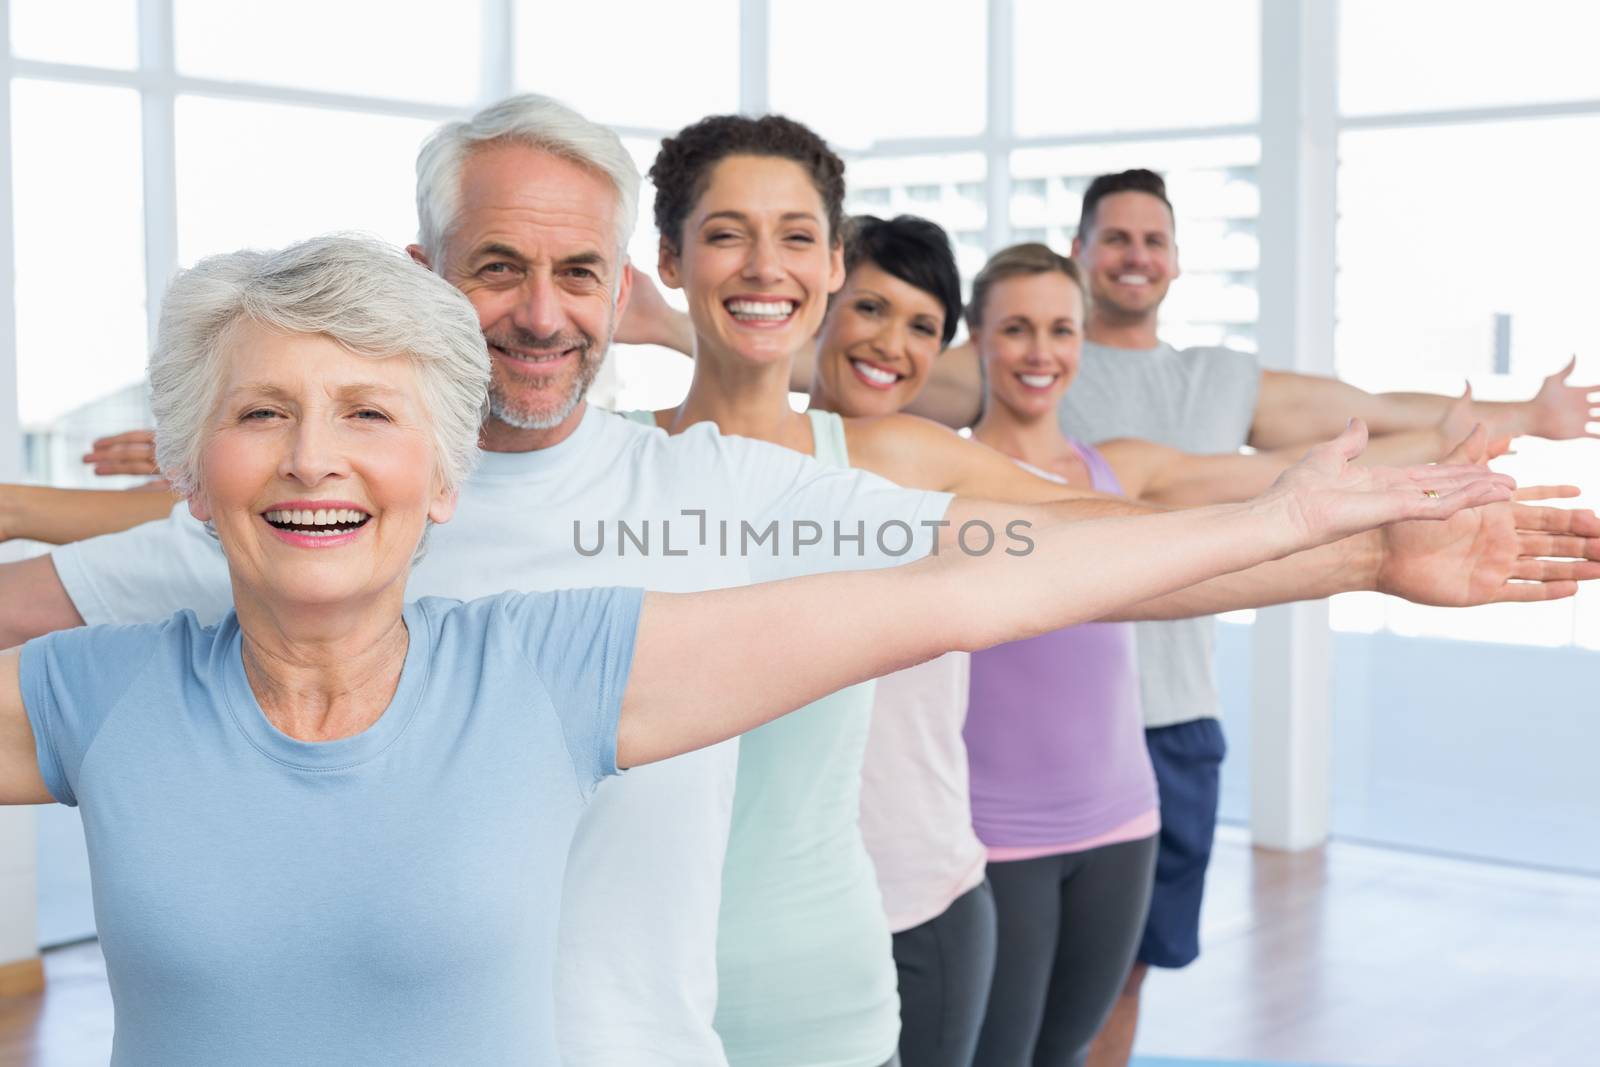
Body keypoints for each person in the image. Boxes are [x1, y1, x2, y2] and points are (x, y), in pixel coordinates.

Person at [2, 103, 1595, 1065]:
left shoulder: (652, 564)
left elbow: (1017, 572)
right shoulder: (238, 555)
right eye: (498, 266)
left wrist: (1357, 549)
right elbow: (72, 564)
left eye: (573, 273)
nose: (317, 462)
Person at [632, 115, 1594, 1067]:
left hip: (833, 979)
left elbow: (1114, 555)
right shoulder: (611, 466)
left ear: (830, 262)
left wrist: (1369, 558)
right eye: (726, 233)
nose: (764, 264)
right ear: (672, 258)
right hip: (636, 985)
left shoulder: (897, 467)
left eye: (796, 237)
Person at [880, 168, 1600, 1066]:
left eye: (1058, 330)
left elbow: (1312, 451)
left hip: (1129, 795)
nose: (1040, 349)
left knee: (1093, 1016)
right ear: (977, 341)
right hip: (993, 815)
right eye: (1017, 328)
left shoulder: (1139, 449)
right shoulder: (929, 462)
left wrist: (1485, 438)